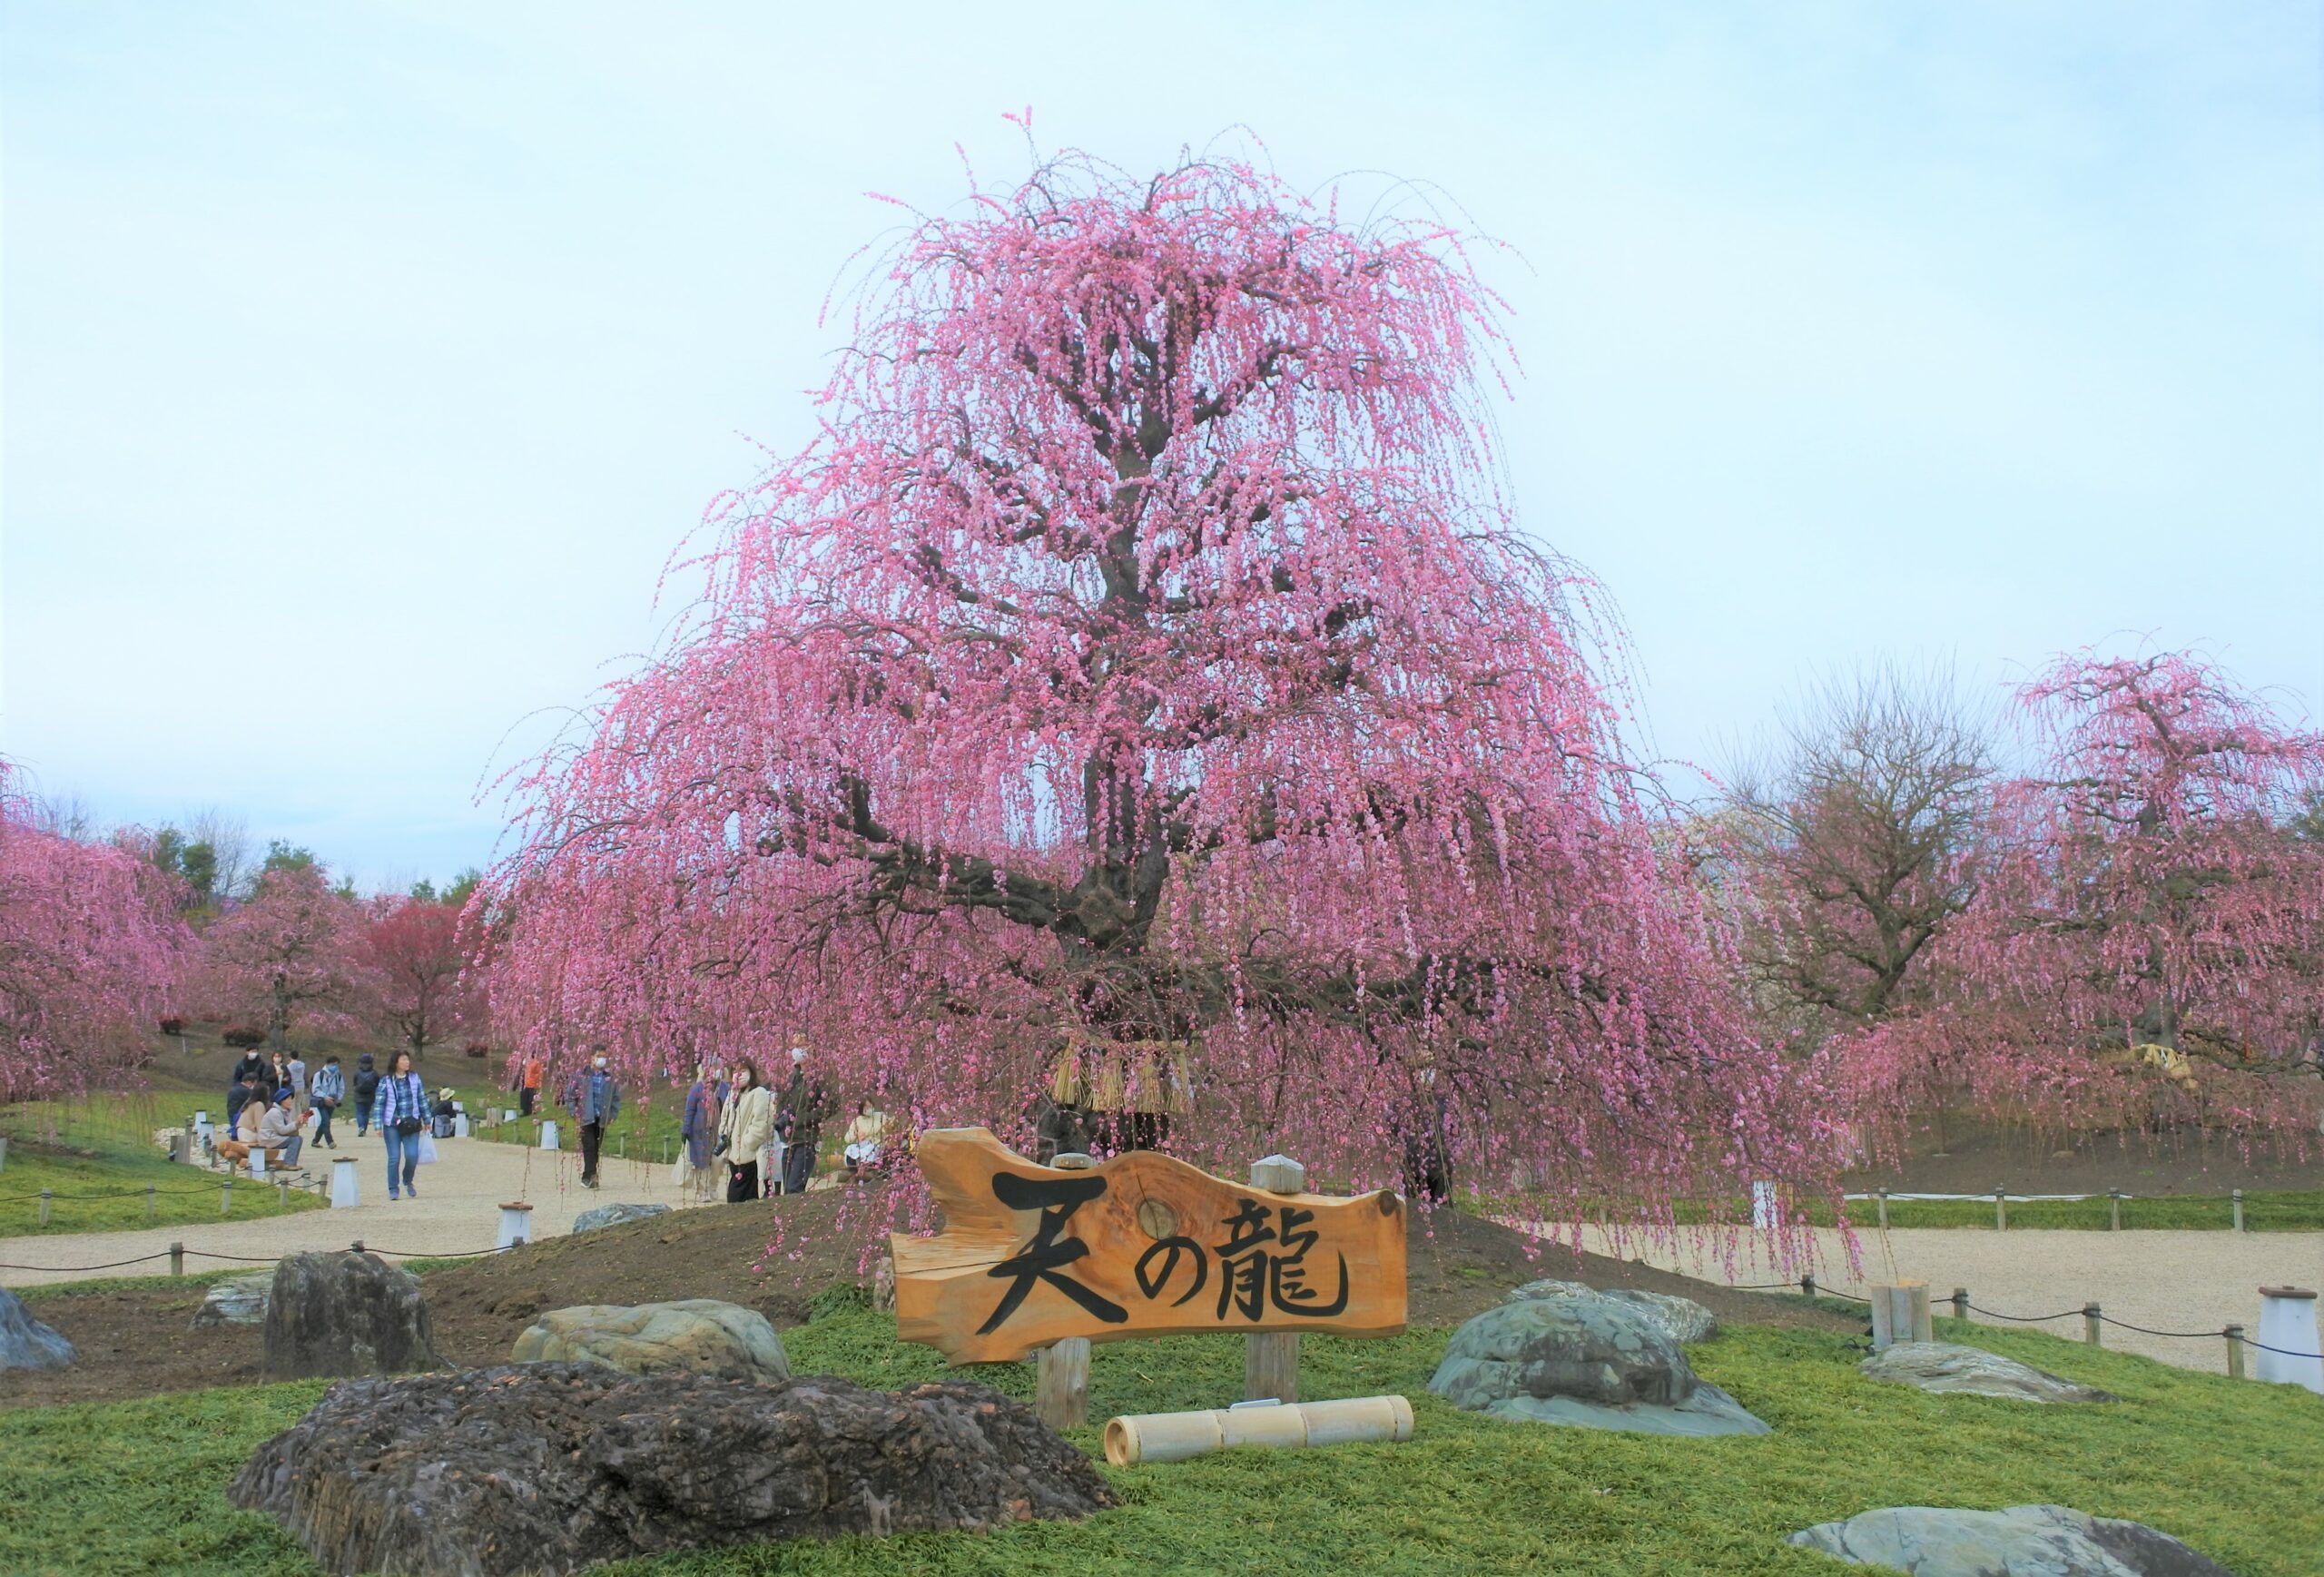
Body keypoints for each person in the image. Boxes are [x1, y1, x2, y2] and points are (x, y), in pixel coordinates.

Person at [776, 1047, 832, 1195]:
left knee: (794, 1187)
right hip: (788, 1140)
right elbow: (781, 1102)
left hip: (806, 1138)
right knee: (787, 1188)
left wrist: (803, 1118)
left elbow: (831, 1105)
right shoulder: (791, 1078)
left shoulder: (820, 1079)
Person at [374, 1050, 428, 1200]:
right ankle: (393, 1188)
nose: (407, 1062)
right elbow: (379, 1103)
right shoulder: (386, 1080)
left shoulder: (414, 1078)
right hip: (392, 1124)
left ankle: (408, 1180)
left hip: (411, 1122)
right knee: (394, 1157)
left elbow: (422, 1098)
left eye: (408, 1059)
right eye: (403, 1059)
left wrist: (427, 1119)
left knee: (412, 1155)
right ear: (396, 1062)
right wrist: (378, 1125)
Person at [718, 1059, 773, 1203]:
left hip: (749, 1155)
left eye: (742, 1071)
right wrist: (723, 1134)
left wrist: (749, 1142)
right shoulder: (733, 1094)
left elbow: (762, 1122)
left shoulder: (758, 1093)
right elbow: (725, 1117)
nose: (738, 1075)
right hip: (733, 1154)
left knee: (737, 1195)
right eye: (735, 1071)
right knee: (743, 1196)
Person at [564, 1051, 621, 1189]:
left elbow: (615, 1097)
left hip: (601, 1118)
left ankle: (588, 1176)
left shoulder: (609, 1078)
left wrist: (612, 1114)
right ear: (591, 1057)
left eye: (604, 1056)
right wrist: (574, 1112)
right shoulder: (581, 1075)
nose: (602, 1059)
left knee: (596, 1147)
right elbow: (570, 1095)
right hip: (586, 1117)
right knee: (589, 1145)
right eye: (599, 1056)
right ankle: (591, 1177)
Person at [681, 1063, 723, 1203]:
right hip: (699, 1131)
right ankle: (702, 1190)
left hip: (716, 1131)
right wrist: (686, 1129)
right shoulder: (697, 1089)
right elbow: (690, 1110)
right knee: (701, 1162)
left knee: (718, 1160)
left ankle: (713, 1187)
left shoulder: (722, 1089)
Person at [258, 1088, 307, 1169]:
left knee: (298, 1138)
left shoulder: (285, 1111)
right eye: (288, 1099)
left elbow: (289, 1129)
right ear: (281, 1100)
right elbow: (282, 1130)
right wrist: (295, 1123)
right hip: (268, 1138)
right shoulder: (275, 1112)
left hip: (275, 1137)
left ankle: (292, 1163)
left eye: (291, 1099)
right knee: (295, 1140)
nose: (290, 1101)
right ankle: (288, 1164)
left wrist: (299, 1124)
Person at [842, 1100, 888, 1180]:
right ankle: (852, 1169)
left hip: (876, 1144)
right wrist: (855, 1134)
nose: (869, 1109)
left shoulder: (881, 1117)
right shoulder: (857, 1121)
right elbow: (847, 1138)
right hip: (862, 1144)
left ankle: (869, 1169)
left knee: (869, 1151)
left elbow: (884, 1128)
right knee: (850, 1149)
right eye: (867, 1107)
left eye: (871, 1106)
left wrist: (866, 1133)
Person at [310, 1055, 345, 1148]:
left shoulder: (338, 1076)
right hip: (321, 1101)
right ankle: (330, 1142)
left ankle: (315, 1141)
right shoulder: (319, 1075)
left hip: (332, 1102)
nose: (335, 1066)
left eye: (337, 1064)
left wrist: (338, 1098)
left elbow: (341, 1089)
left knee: (324, 1122)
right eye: (333, 1064)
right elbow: (315, 1090)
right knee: (326, 1121)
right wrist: (325, 1097)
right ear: (327, 1064)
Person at [352, 1051, 380, 1138]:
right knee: (366, 1113)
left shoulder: (357, 1072)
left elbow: (354, 1082)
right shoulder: (374, 1073)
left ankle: (361, 1127)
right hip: (370, 1095)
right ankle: (364, 1128)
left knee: (359, 1112)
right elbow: (377, 1083)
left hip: (359, 1094)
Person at [519, 1054, 544, 1118]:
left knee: (531, 1099)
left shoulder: (536, 1063)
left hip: (532, 1084)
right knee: (524, 1098)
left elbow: (538, 1073)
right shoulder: (528, 1062)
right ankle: (525, 1111)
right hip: (526, 1083)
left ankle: (531, 1111)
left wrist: (537, 1082)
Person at [286, 1051, 309, 1116]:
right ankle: (300, 1118)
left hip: (293, 1086)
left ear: (290, 1056)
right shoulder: (302, 1065)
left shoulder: (289, 1066)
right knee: (298, 1104)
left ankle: (294, 1120)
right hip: (301, 1086)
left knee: (292, 1104)